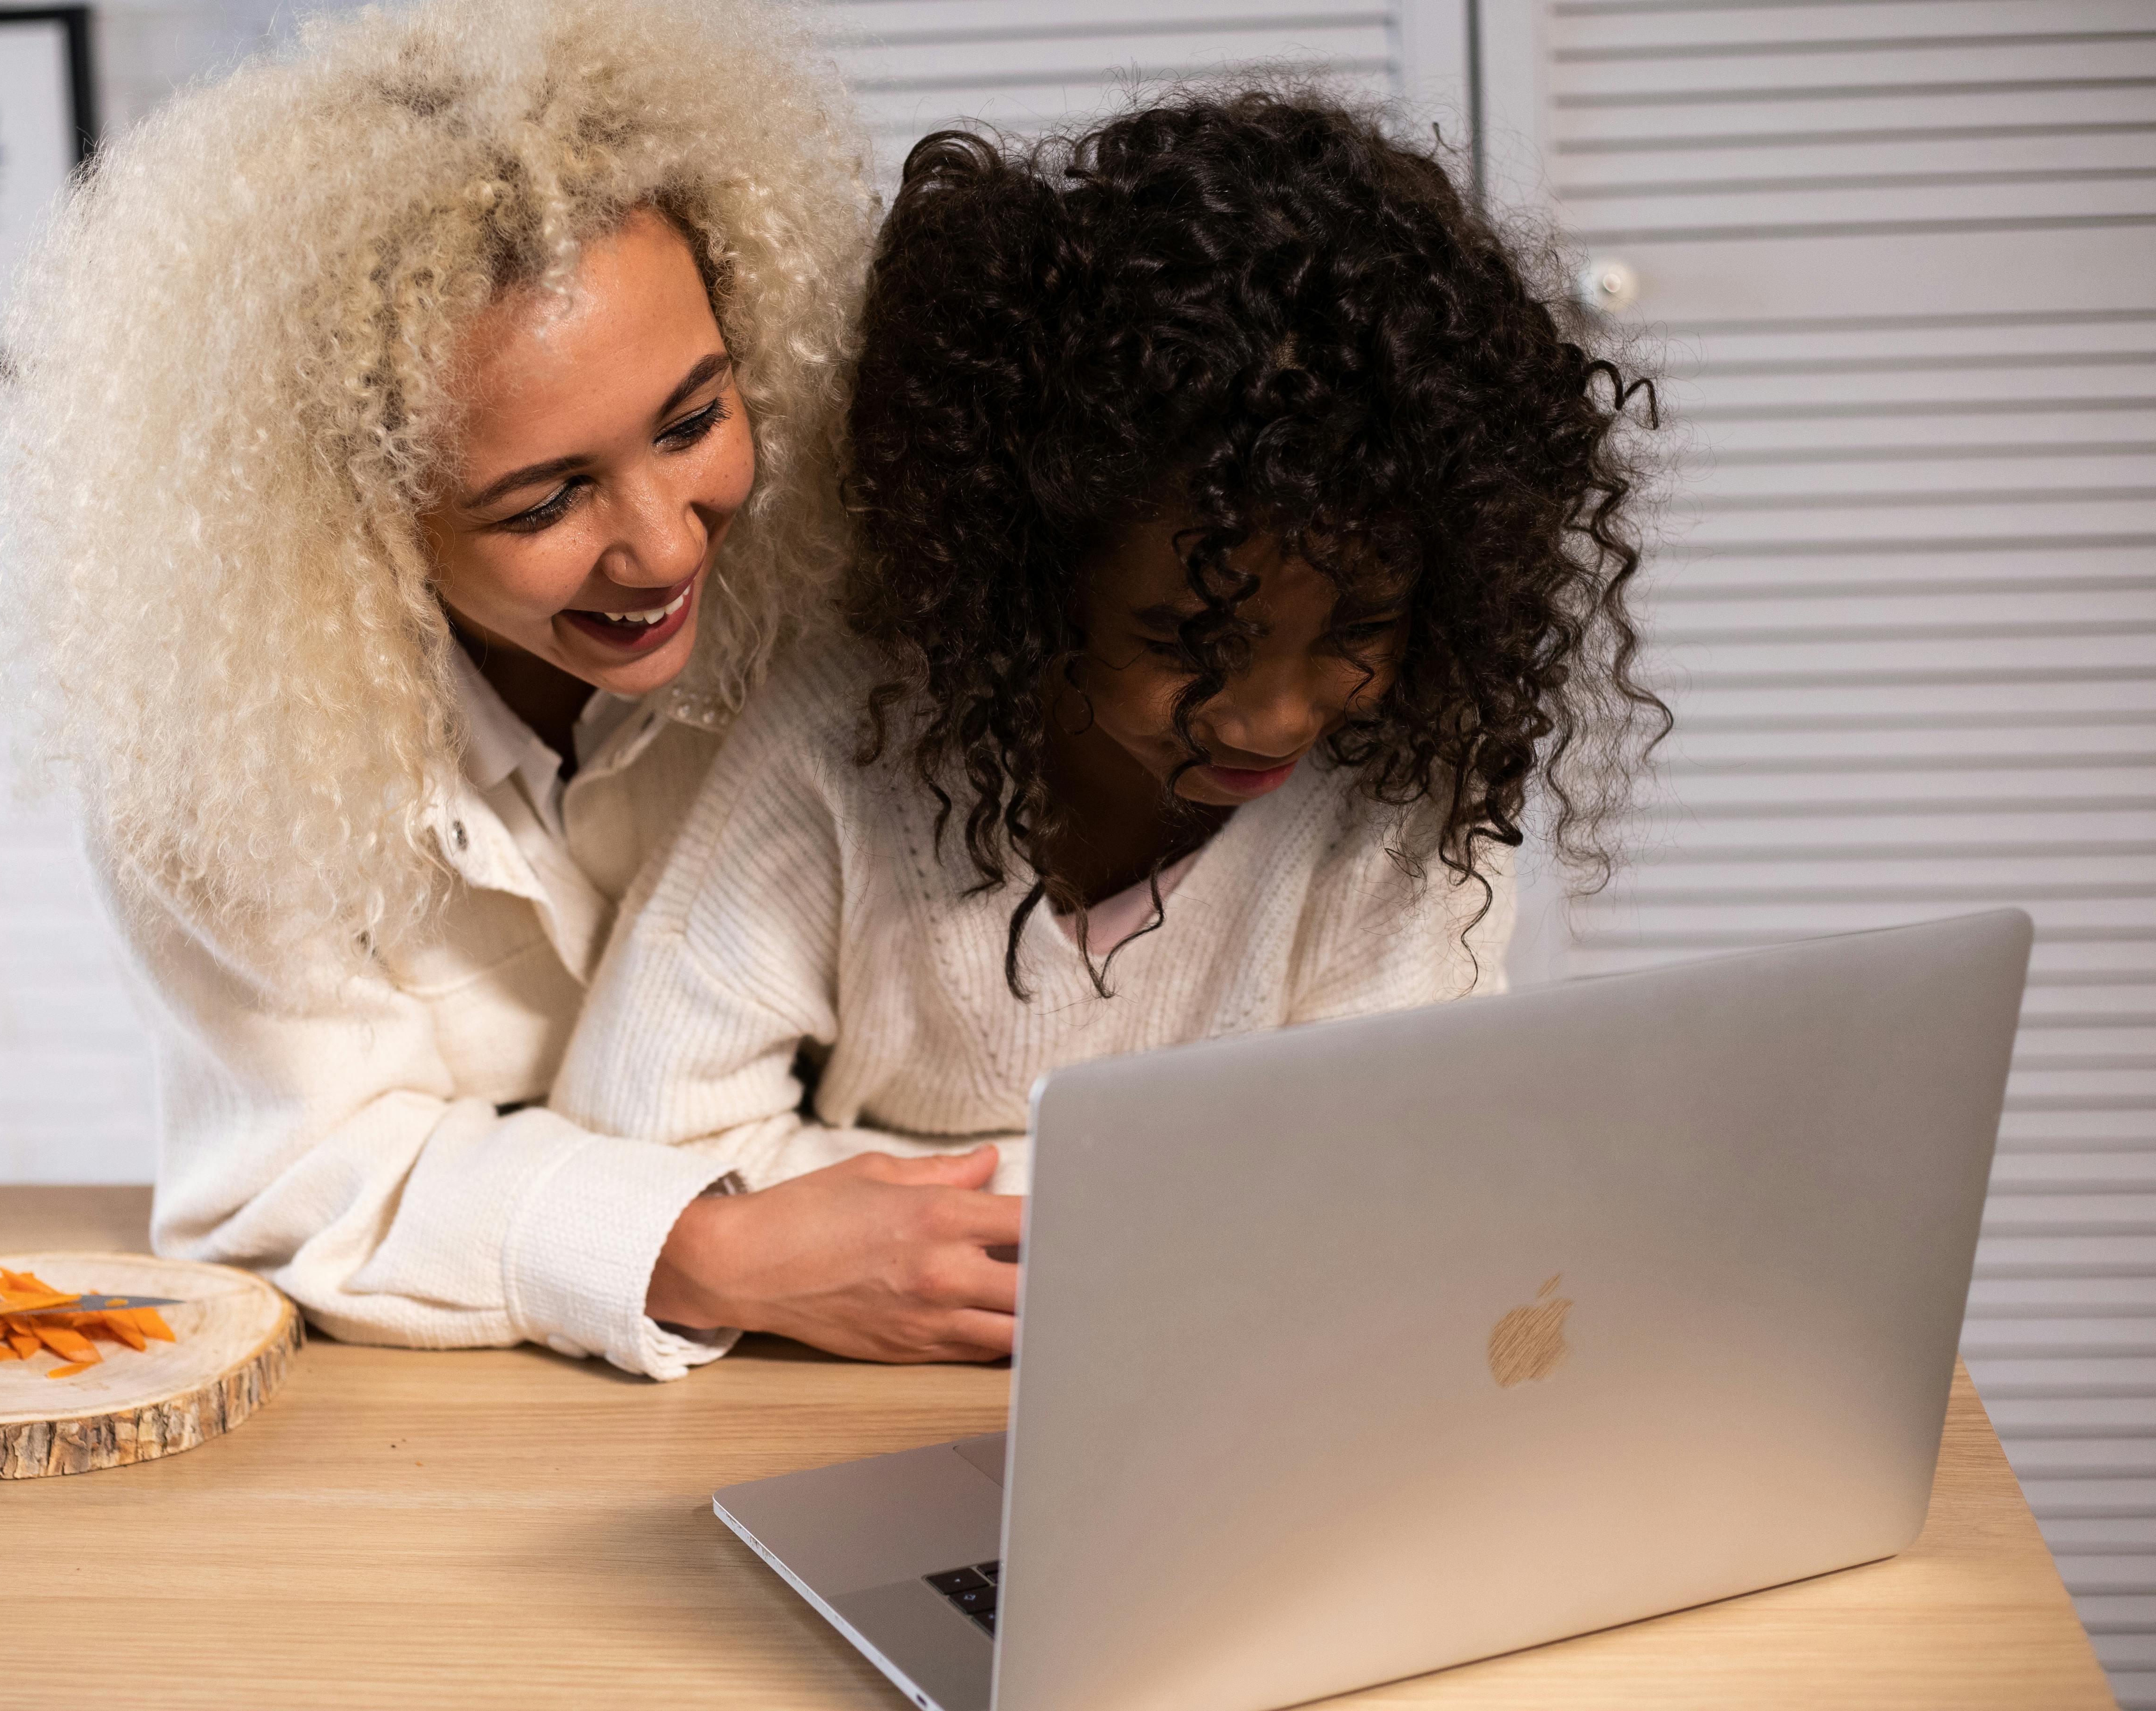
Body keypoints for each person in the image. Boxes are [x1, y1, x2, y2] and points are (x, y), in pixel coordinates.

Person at [551, 86, 1671, 1369]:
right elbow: (636, 1144)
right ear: (1031, 584)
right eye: (1190, 643)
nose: (1276, 712)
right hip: (848, 1407)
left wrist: (886, 1210)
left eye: (1355, 630)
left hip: (1242, 1396)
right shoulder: (844, 742)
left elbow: (1386, 1185)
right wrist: (1187, 1197)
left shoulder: (1397, 798)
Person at [0, 0, 868, 1380]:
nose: (667, 541)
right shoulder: (225, 755)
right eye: (545, 501)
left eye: (695, 421)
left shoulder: (838, 615)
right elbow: (293, 1176)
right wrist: (695, 1252)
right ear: (364, 517)